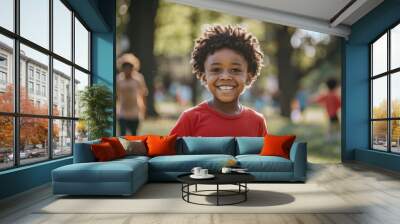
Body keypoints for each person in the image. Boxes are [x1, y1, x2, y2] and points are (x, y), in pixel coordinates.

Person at [170, 25, 267, 137]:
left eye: (235, 70)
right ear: (204, 76)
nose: (225, 77)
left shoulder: (257, 122)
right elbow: (167, 151)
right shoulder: (190, 119)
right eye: (216, 69)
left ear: (248, 77)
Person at [116, 53, 148, 135]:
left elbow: (143, 94)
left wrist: (144, 109)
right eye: (125, 67)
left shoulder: (138, 78)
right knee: (122, 135)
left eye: (129, 67)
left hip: (135, 111)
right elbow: (116, 95)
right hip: (122, 111)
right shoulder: (118, 79)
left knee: (133, 135)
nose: (127, 69)